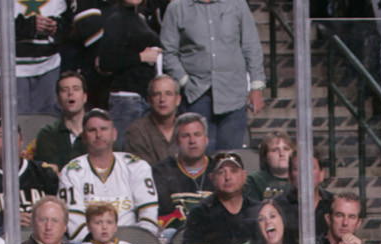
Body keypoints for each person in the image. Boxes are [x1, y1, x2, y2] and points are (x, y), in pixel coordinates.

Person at [159, 0, 266, 152]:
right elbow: (168, 52)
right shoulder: (177, 8)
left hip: (233, 96)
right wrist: (184, 82)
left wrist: (257, 86)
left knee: (229, 159)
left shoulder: (237, 4)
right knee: (197, 157)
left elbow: (251, 47)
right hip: (195, 96)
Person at [58, 109, 158, 241]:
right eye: (92, 130)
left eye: (104, 129)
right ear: (83, 137)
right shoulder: (71, 171)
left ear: (114, 134)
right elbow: (75, 224)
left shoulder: (136, 166)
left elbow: (149, 218)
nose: (98, 135)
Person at [0, 119, 59, 234]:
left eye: (12, 134)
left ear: (21, 141)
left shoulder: (43, 172)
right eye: (0, 135)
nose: (7, 140)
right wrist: (5, 222)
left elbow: (61, 215)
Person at [0, 0, 70, 117]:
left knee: (49, 122)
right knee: (14, 122)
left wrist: (55, 27)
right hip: (11, 67)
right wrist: (29, 25)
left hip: (49, 65)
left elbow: (66, 18)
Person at [183, 150, 257, 244]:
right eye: (221, 172)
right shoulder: (200, 213)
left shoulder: (258, 210)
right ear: (212, 178)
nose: (228, 177)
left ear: (244, 176)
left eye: (233, 171)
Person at [99, 0, 163, 139]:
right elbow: (105, 62)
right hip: (127, 99)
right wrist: (140, 57)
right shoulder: (115, 18)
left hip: (144, 97)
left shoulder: (139, 18)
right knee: (126, 153)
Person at [150, 112, 213, 230]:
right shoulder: (160, 172)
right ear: (177, 142)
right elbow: (163, 215)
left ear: (206, 140)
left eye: (197, 134)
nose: (192, 140)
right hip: (177, 234)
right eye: (185, 136)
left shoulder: (218, 170)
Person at [31, 71, 89, 171]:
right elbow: (51, 173)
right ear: (58, 99)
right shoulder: (48, 133)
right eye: (64, 90)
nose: (70, 93)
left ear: (84, 97)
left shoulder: (98, 131)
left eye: (76, 89)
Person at [122, 74, 180, 165]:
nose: (162, 99)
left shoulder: (187, 129)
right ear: (149, 100)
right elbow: (142, 172)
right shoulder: (136, 131)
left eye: (168, 94)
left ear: (178, 99)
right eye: (157, 94)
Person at [80, 200, 150, 244]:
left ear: (115, 227)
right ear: (89, 227)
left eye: (109, 222)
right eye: (98, 223)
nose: (104, 227)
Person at [245, 132, 293, 204]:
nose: (282, 154)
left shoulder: (303, 180)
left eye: (286, 149)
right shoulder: (254, 181)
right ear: (265, 156)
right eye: (275, 150)